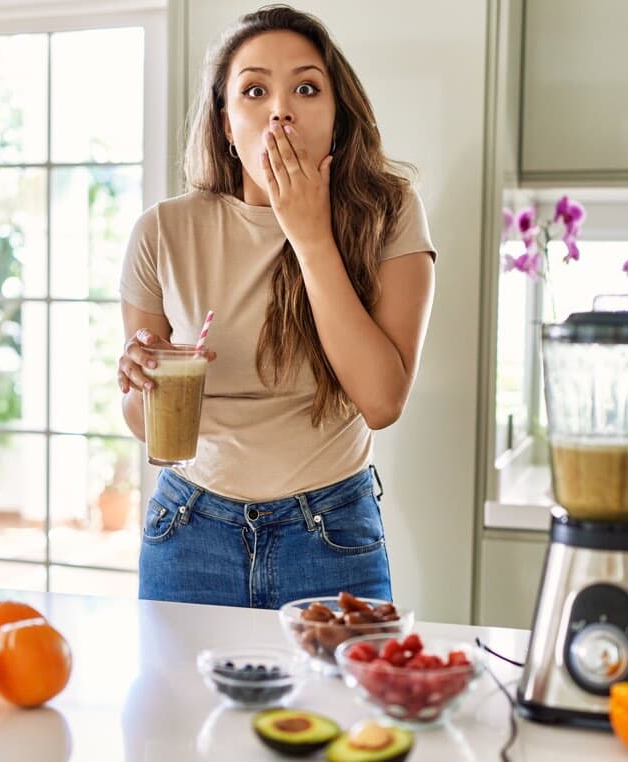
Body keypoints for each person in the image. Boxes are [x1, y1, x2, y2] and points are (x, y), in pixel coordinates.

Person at [117, 4, 436, 609]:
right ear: (226, 124)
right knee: (182, 706)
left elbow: (382, 400)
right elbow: (144, 426)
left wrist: (309, 232)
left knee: (339, 707)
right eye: (255, 90)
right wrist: (142, 380)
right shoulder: (163, 231)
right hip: (188, 529)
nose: (281, 108)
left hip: (331, 532)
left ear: (338, 116)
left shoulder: (389, 213)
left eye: (307, 88)